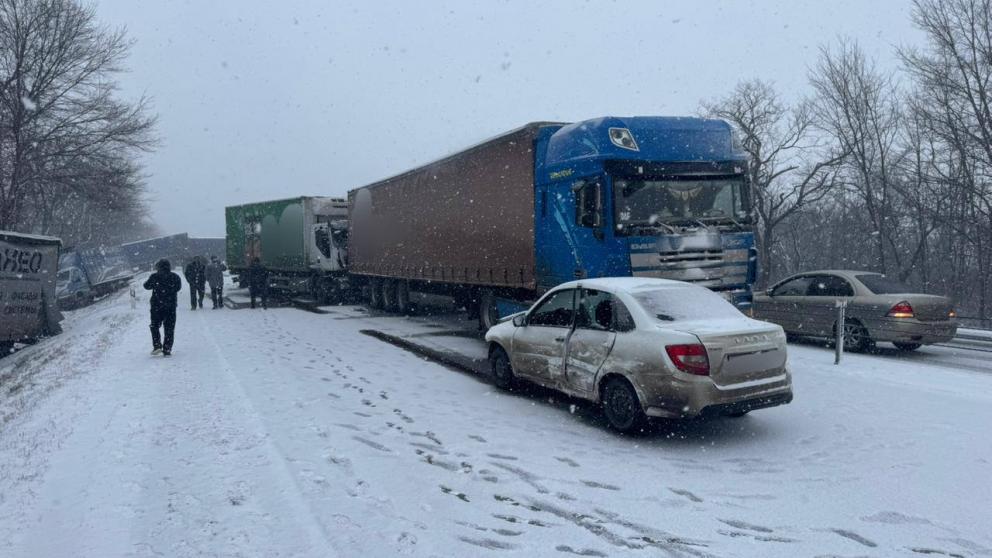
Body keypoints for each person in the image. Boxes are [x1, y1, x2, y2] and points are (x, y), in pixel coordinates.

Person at [143, 258, 182, 356]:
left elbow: (146, 286)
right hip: (171, 306)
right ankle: (167, 348)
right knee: (169, 328)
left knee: (154, 325)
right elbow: (178, 288)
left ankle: (157, 345)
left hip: (157, 306)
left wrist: (157, 284)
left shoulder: (155, 277)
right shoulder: (175, 277)